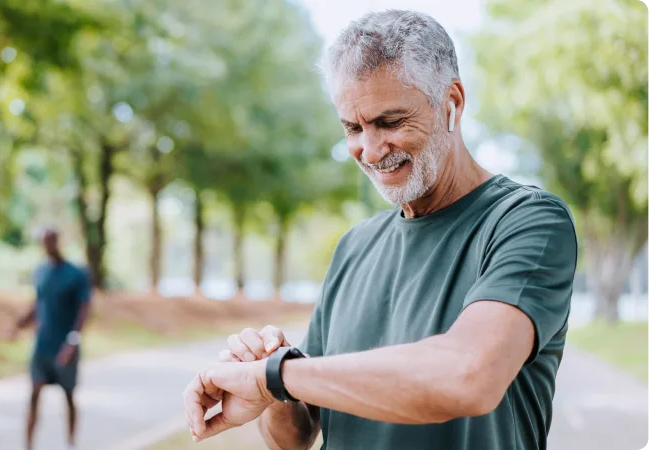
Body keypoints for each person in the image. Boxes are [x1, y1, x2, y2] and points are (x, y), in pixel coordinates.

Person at [182, 9, 577, 450]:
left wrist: (278, 374)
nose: (370, 151)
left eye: (390, 122)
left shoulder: (528, 222)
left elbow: (468, 377)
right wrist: (271, 383)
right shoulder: (355, 246)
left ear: (453, 102)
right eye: (353, 127)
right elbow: (293, 438)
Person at [11, 227, 91, 450]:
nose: (47, 245)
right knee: (34, 391)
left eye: (50, 240)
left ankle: (70, 442)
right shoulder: (41, 272)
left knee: (68, 394)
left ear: (57, 241)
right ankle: (28, 444)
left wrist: (73, 340)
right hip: (42, 344)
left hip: (65, 344)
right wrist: (20, 323)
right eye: (43, 241)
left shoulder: (76, 273)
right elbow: (38, 304)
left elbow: (84, 308)